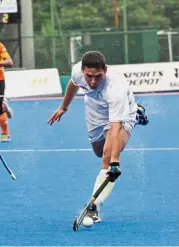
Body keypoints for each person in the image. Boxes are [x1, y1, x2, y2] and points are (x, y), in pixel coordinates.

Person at [47, 51, 148, 223]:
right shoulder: (77, 72)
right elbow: (73, 84)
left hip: (121, 114)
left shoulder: (116, 89)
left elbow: (115, 128)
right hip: (95, 108)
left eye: (98, 76)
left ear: (105, 70)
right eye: (89, 76)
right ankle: (140, 114)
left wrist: (114, 162)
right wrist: (64, 107)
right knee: (98, 151)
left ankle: (95, 207)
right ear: (82, 71)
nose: (93, 81)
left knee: (107, 159)